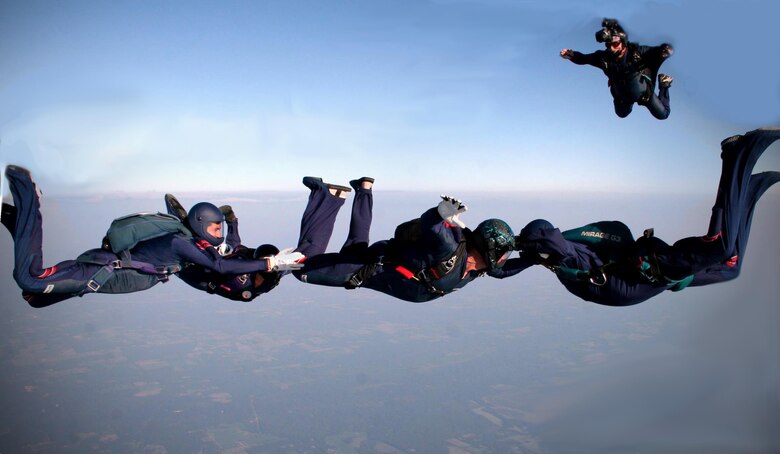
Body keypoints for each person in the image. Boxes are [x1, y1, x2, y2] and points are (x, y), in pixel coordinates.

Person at [513, 128, 780, 306]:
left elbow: (606, 232)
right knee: (729, 268)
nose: (554, 238)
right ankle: (748, 189)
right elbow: (514, 264)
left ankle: (739, 155)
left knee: (719, 246)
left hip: (651, 268)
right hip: (653, 279)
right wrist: (497, 256)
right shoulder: (560, 260)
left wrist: (514, 246)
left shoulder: (568, 253)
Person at [0, 165, 304, 308]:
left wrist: (235, 227)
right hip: (105, 272)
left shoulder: (190, 244)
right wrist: (270, 264)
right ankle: (29, 198)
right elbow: (223, 266)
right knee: (31, 281)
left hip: (112, 273)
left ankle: (17, 220)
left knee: (34, 299)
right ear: (199, 224)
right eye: (215, 228)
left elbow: (228, 255)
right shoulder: (181, 244)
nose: (218, 234)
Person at [292, 178, 523, 303]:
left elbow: (503, 272)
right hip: (366, 270)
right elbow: (430, 225)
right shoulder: (450, 248)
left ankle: (362, 190)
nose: (505, 258)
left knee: (356, 244)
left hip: (375, 262)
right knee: (300, 266)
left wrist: (538, 259)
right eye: (504, 252)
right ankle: (325, 195)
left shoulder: (476, 269)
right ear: (490, 249)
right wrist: (439, 212)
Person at [162, 177, 353, 301]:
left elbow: (224, 261)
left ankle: (183, 224)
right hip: (233, 271)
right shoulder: (266, 271)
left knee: (194, 244)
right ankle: (333, 196)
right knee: (307, 255)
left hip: (197, 273)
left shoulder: (242, 277)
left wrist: (233, 223)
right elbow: (235, 250)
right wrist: (233, 222)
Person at [560, 18, 674, 119]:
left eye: (615, 45)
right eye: (608, 45)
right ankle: (623, 100)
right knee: (621, 114)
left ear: (623, 43)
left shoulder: (637, 53)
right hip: (623, 98)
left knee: (663, 115)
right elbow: (584, 59)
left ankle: (664, 84)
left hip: (644, 95)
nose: (611, 49)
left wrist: (664, 51)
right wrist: (571, 55)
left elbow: (656, 52)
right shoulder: (604, 58)